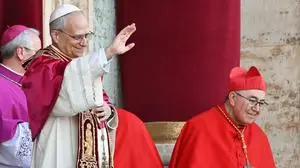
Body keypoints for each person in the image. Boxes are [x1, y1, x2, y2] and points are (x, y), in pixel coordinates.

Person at [22, 4, 162, 168]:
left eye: (87, 36)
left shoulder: (75, 63)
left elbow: (97, 96)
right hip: (59, 143)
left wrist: (108, 110)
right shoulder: (43, 63)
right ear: (56, 35)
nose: (84, 43)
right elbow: (64, 97)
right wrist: (108, 52)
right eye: (77, 37)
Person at [169, 66, 275, 168]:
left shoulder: (259, 136)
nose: (257, 109)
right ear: (233, 98)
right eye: (252, 101)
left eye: (261, 103)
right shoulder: (199, 129)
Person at [0, 25, 41, 167]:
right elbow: (12, 147)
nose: (41, 59)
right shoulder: (1, 87)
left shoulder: (29, 82)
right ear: (21, 52)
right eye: (38, 53)